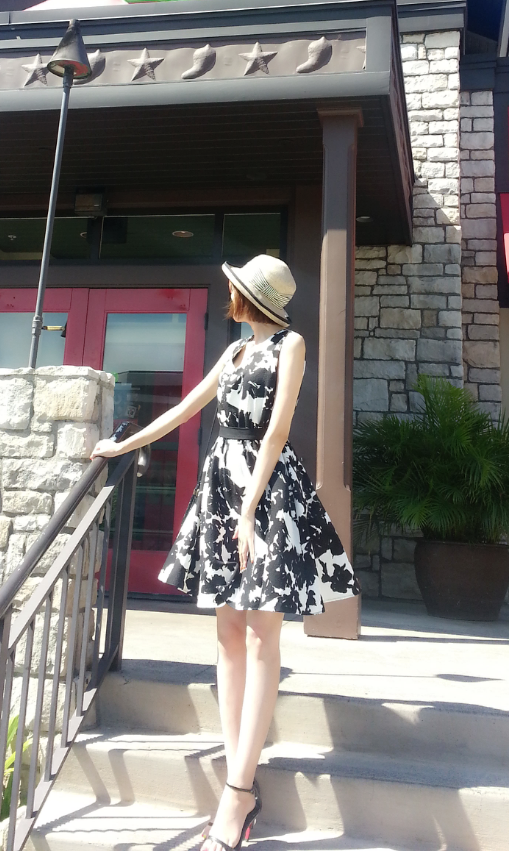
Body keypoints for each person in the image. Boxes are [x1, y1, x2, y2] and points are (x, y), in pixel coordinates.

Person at [92, 255, 358, 850]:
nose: (227, 295)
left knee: (262, 635)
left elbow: (278, 431)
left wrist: (248, 510)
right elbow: (185, 410)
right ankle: (240, 778)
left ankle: (238, 792)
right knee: (228, 634)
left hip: (267, 492)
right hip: (223, 485)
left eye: (234, 288)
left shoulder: (291, 345)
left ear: (250, 297)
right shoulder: (235, 351)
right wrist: (122, 446)